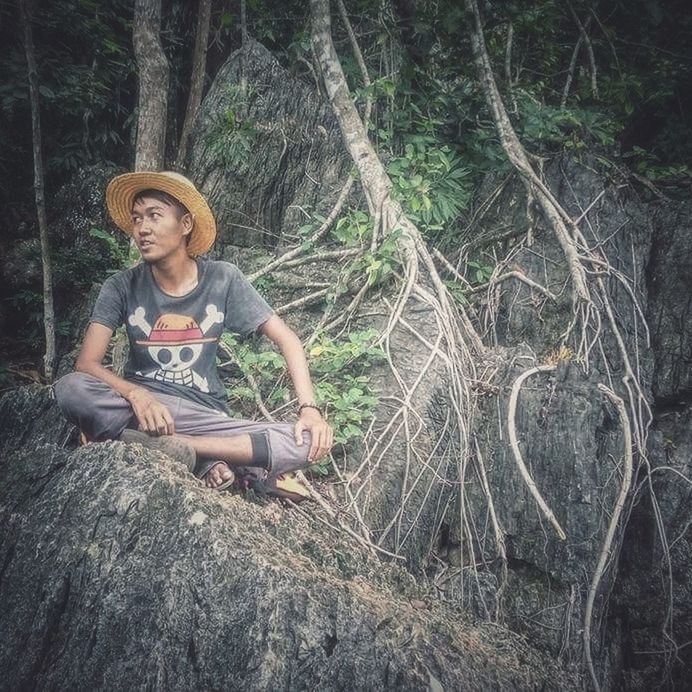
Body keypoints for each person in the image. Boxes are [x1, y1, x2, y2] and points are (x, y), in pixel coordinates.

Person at [55, 171, 333, 496]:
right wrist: (136, 395)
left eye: (154, 216)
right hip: (144, 410)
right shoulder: (121, 286)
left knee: (308, 441)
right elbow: (87, 365)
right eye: (136, 219)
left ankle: (185, 449)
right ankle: (212, 460)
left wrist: (310, 411)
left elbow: (288, 340)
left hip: (205, 414)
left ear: (185, 224)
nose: (142, 229)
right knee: (70, 388)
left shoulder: (222, 279)